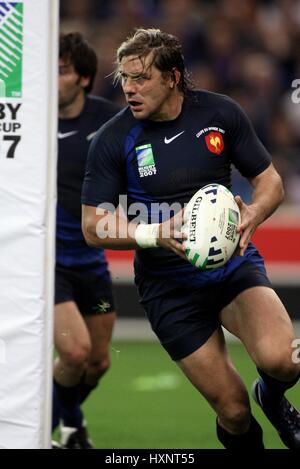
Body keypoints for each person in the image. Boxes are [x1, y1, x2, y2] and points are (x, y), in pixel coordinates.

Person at [81, 28, 300, 449]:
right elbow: (94, 225)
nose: (129, 88)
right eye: (124, 78)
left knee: (284, 361)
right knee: (233, 412)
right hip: (169, 289)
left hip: (232, 266)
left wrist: (254, 213)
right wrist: (152, 233)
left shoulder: (220, 113)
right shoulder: (113, 138)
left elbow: (269, 180)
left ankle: (273, 398)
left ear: (172, 77)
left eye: (141, 77)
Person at [53, 32, 121, 449]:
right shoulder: (28, 123)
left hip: (92, 265)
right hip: (50, 266)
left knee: (97, 362)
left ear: (82, 78)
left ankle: (45, 423)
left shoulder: (109, 122)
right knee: (75, 353)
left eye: (61, 71)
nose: (52, 79)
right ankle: (73, 429)